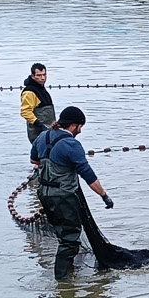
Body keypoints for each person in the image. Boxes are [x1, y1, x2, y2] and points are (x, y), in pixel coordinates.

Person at [30, 107, 114, 280]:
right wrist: (104, 196)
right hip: (63, 197)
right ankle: (63, 281)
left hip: (44, 194)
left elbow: (34, 160)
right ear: (74, 125)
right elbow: (88, 175)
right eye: (80, 127)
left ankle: (69, 272)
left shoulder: (42, 137)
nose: (80, 131)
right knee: (71, 240)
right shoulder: (71, 144)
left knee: (63, 235)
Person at [20, 63, 55, 144]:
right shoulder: (29, 92)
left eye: (44, 75)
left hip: (48, 129)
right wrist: (38, 124)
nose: (42, 78)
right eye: (39, 75)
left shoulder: (41, 88)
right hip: (38, 132)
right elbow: (25, 111)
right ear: (33, 76)